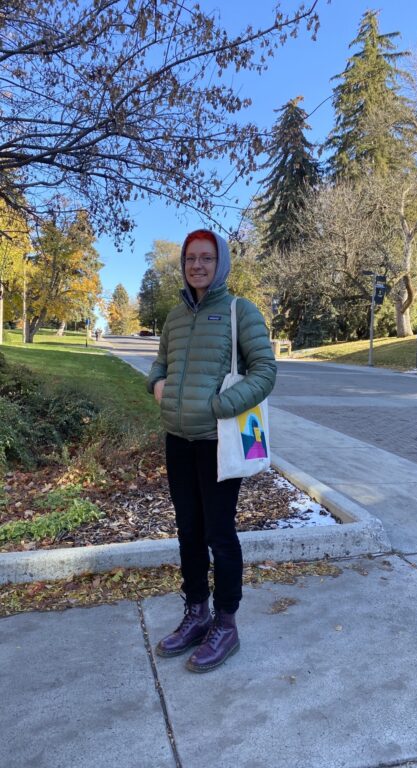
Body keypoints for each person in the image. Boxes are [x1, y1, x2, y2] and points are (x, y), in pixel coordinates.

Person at [147, 229, 276, 673]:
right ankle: (197, 613)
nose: (197, 265)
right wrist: (157, 384)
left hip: (218, 443)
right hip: (178, 440)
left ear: (220, 263)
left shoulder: (240, 310)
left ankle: (226, 623)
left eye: (206, 258)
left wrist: (222, 406)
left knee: (219, 534)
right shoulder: (174, 316)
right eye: (190, 258)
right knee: (188, 531)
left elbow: (265, 370)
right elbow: (160, 363)